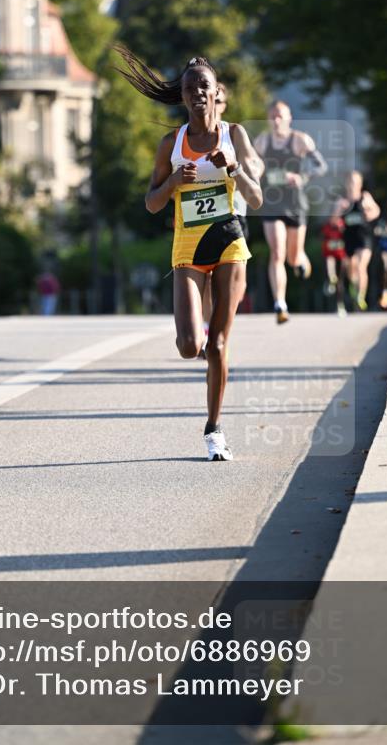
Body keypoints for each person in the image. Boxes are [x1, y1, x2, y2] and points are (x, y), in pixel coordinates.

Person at [114, 48, 262, 462]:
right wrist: (175, 181)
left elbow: (257, 195)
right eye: (189, 87)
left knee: (216, 344)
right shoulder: (171, 144)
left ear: (217, 94)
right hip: (188, 246)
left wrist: (231, 168)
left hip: (230, 240)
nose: (197, 92)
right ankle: (202, 346)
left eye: (204, 86)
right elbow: (151, 203)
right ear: (182, 97)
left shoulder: (235, 136)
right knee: (188, 344)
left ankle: (214, 429)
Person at [201, 81, 264, 342]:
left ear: (224, 106)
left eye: (219, 101)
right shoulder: (190, 134)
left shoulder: (233, 134)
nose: (213, 105)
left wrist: (245, 169)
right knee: (207, 277)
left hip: (234, 214)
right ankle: (209, 331)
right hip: (201, 216)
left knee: (237, 285)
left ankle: (221, 327)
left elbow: (255, 164)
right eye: (210, 99)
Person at [254, 101, 327, 324]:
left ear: (289, 117)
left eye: (280, 116)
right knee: (277, 253)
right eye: (273, 116)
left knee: (293, 257)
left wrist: (301, 177)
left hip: (295, 204)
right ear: (268, 119)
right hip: (272, 203)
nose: (276, 120)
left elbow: (320, 166)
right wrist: (257, 174)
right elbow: (252, 166)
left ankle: (300, 262)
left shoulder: (300, 140)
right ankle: (280, 304)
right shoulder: (262, 142)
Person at [332, 170, 380, 311]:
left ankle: (360, 296)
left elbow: (377, 211)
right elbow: (333, 222)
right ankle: (354, 288)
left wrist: (368, 212)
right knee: (351, 270)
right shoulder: (342, 201)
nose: (353, 185)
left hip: (363, 238)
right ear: (347, 184)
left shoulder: (365, 197)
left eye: (355, 182)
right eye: (350, 182)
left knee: (361, 266)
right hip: (349, 239)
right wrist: (338, 211)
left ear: (360, 184)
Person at [320, 214, 347, 317]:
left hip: (340, 255)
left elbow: (347, 237)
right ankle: (330, 279)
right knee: (330, 264)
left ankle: (340, 305)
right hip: (329, 255)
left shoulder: (342, 225)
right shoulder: (326, 227)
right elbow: (322, 237)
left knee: (340, 282)